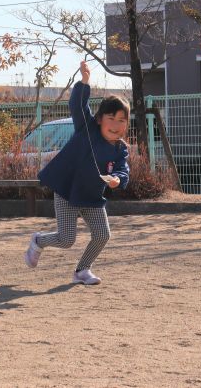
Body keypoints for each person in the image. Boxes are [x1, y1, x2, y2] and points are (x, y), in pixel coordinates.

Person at [25, 60, 130, 285]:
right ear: (100, 119)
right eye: (111, 118)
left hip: (91, 196)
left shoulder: (120, 148)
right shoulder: (87, 129)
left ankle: (82, 271)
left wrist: (117, 180)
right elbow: (77, 106)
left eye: (121, 120)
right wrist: (84, 82)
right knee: (66, 239)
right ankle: (38, 241)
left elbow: (123, 171)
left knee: (103, 235)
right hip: (67, 191)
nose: (115, 124)